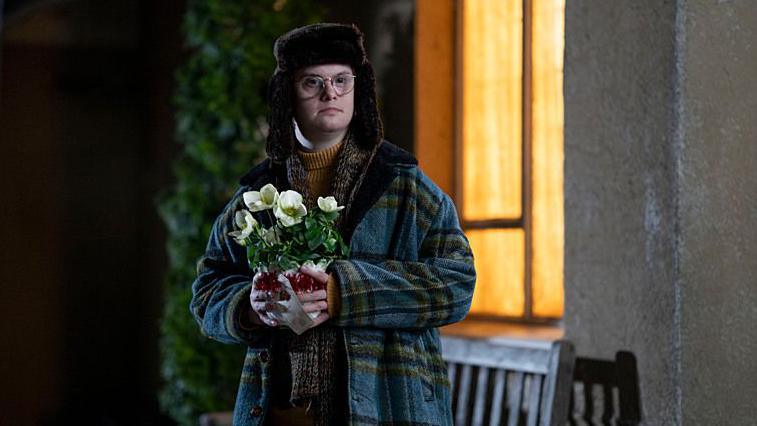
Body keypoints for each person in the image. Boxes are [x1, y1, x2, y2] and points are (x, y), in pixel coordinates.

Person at [190, 23, 476, 426]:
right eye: (313, 83)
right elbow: (206, 292)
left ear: (358, 88)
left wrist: (344, 293)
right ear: (287, 93)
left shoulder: (406, 187)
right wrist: (248, 308)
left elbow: (457, 284)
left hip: (390, 409)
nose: (331, 93)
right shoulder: (257, 196)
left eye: (342, 80)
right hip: (280, 415)